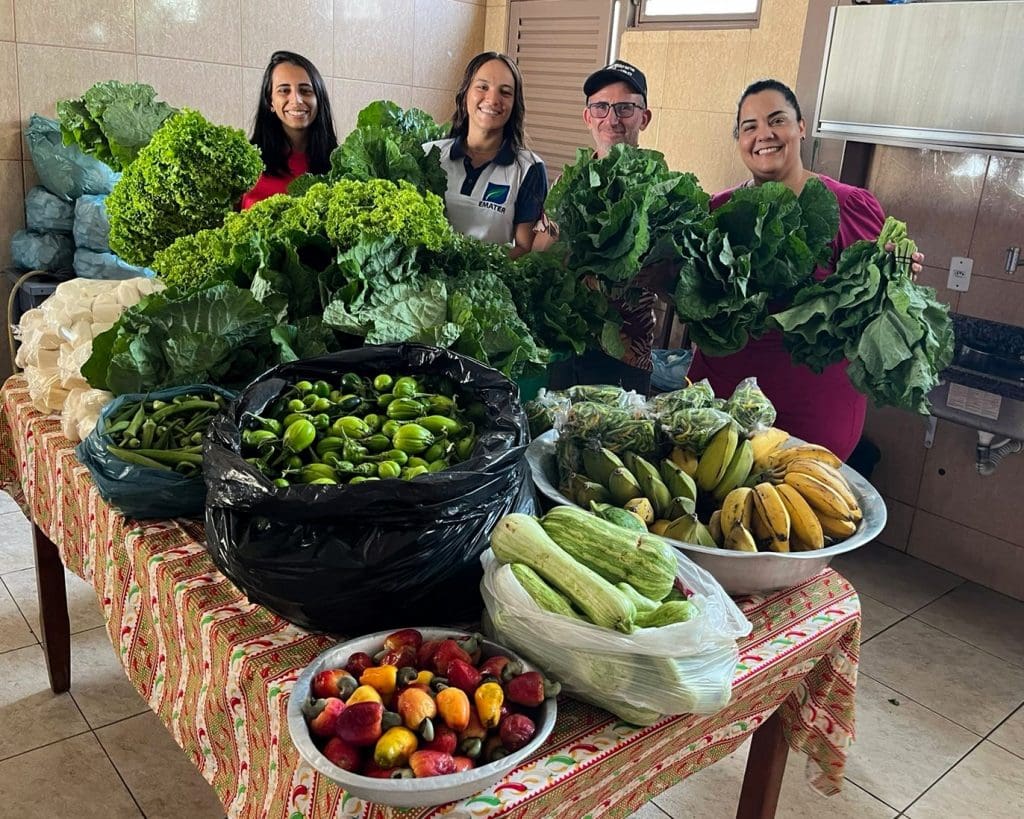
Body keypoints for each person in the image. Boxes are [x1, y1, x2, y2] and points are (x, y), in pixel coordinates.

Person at [686, 78, 920, 460]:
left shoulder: (849, 207)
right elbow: (692, 298)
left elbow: (874, 316)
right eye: (750, 126)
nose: (764, 134)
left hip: (811, 412)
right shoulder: (717, 210)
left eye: (777, 120)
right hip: (719, 400)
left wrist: (894, 281)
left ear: (800, 126)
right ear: (739, 139)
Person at [546, 61, 658, 393]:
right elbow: (547, 253)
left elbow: (673, 280)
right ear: (588, 117)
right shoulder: (567, 182)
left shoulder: (661, 189)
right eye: (601, 107)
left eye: (625, 108)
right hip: (565, 342)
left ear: (644, 117)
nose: (612, 119)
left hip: (626, 354)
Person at [424, 52, 547, 258]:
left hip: (489, 278)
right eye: (482, 87)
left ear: (514, 104)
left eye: (505, 92)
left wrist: (474, 271)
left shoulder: (529, 169)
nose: (493, 99)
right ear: (465, 94)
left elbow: (524, 248)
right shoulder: (428, 155)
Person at [241, 51, 338, 210]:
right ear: (270, 101)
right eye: (284, 90)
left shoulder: (338, 166)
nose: (296, 100)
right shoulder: (245, 162)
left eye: (305, 90)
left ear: (319, 99)